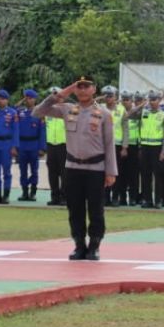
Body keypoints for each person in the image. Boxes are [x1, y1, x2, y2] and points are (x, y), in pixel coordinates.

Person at [34, 76, 117, 261]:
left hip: (96, 168)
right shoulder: (67, 109)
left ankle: (94, 246)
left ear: (94, 89)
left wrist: (111, 171)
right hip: (72, 167)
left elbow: (109, 144)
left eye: (86, 86)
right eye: (79, 87)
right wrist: (62, 93)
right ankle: (79, 245)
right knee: (75, 209)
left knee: (96, 210)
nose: (82, 90)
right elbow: (38, 112)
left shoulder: (103, 113)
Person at [130, 91, 164, 208]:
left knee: (158, 176)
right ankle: (147, 200)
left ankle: (158, 200)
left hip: (157, 148)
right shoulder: (143, 112)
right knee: (145, 176)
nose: (152, 102)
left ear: (159, 101)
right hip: (145, 148)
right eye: (150, 100)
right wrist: (142, 105)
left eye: (154, 100)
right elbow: (129, 114)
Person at [16, 89, 47, 202]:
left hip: (34, 145)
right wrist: (22, 100)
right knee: (22, 170)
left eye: (30, 98)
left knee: (34, 170)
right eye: (27, 98)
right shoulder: (20, 112)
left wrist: (42, 148)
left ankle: (33, 192)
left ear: (35, 100)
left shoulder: (39, 113)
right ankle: (24, 192)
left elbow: (42, 132)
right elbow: (12, 109)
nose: (28, 100)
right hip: (22, 145)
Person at [44, 87, 67, 206]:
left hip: (64, 145)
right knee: (52, 173)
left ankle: (64, 197)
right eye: (53, 96)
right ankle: (55, 196)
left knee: (64, 173)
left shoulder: (68, 110)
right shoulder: (47, 111)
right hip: (51, 145)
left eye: (58, 96)